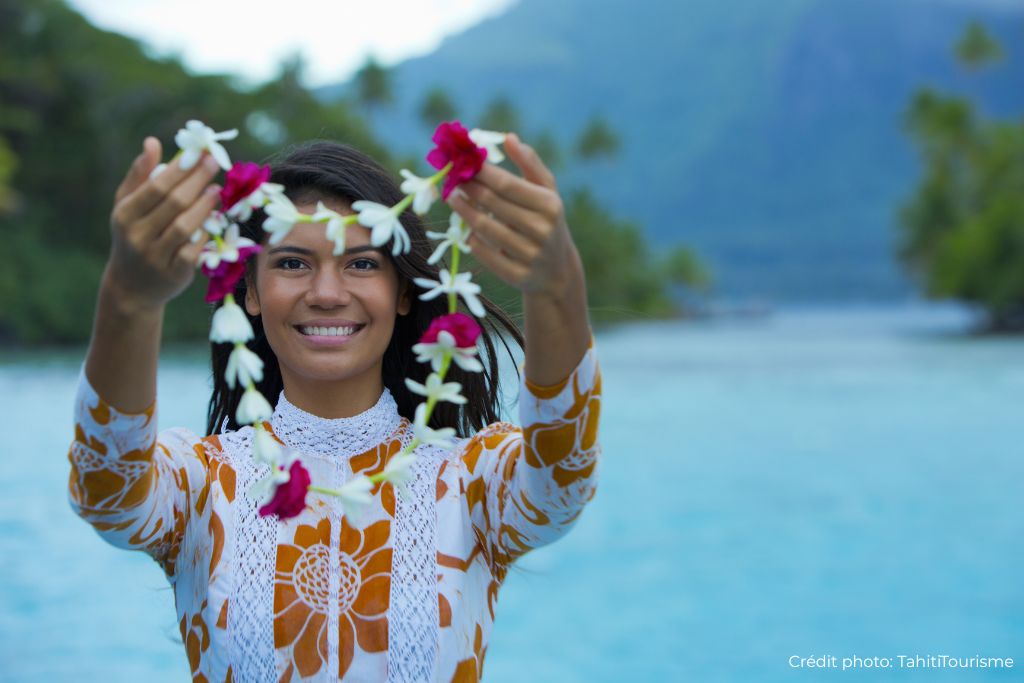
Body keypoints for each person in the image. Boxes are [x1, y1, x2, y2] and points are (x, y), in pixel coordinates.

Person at [67, 133, 602, 682]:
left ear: (402, 292)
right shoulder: (200, 484)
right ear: (251, 290)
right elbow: (107, 495)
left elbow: (562, 485)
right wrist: (128, 300)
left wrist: (557, 288)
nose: (326, 293)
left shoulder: (469, 482)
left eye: (362, 264)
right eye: (293, 263)